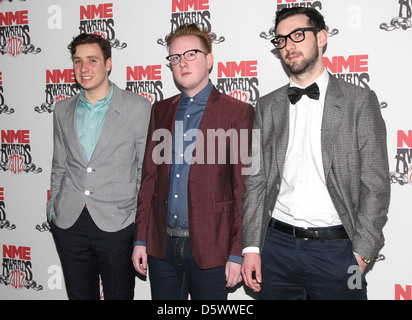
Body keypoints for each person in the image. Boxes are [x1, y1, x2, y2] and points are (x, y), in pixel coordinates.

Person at [241, 7, 390, 300]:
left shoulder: (359, 102)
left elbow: (376, 186)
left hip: (338, 252)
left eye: (298, 35)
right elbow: (255, 183)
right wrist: (251, 248)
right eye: (281, 39)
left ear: (321, 38)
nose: (289, 45)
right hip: (276, 247)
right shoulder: (267, 107)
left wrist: (361, 255)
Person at [132, 23, 254, 300]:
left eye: (191, 54)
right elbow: (148, 179)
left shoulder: (240, 112)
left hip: (212, 248)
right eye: (175, 58)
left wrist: (239, 251)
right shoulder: (160, 111)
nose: (182, 63)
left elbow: (244, 190)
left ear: (209, 60)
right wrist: (141, 239)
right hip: (162, 248)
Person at [47, 33, 151, 300]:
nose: (84, 68)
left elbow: (145, 170)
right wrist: (53, 209)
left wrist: (134, 220)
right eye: (78, 61)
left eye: (92, 60)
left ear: (108, 64)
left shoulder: (137, 107)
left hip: (117, 224)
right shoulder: (62, 110)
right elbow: (59, 164)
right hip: (69, 223)